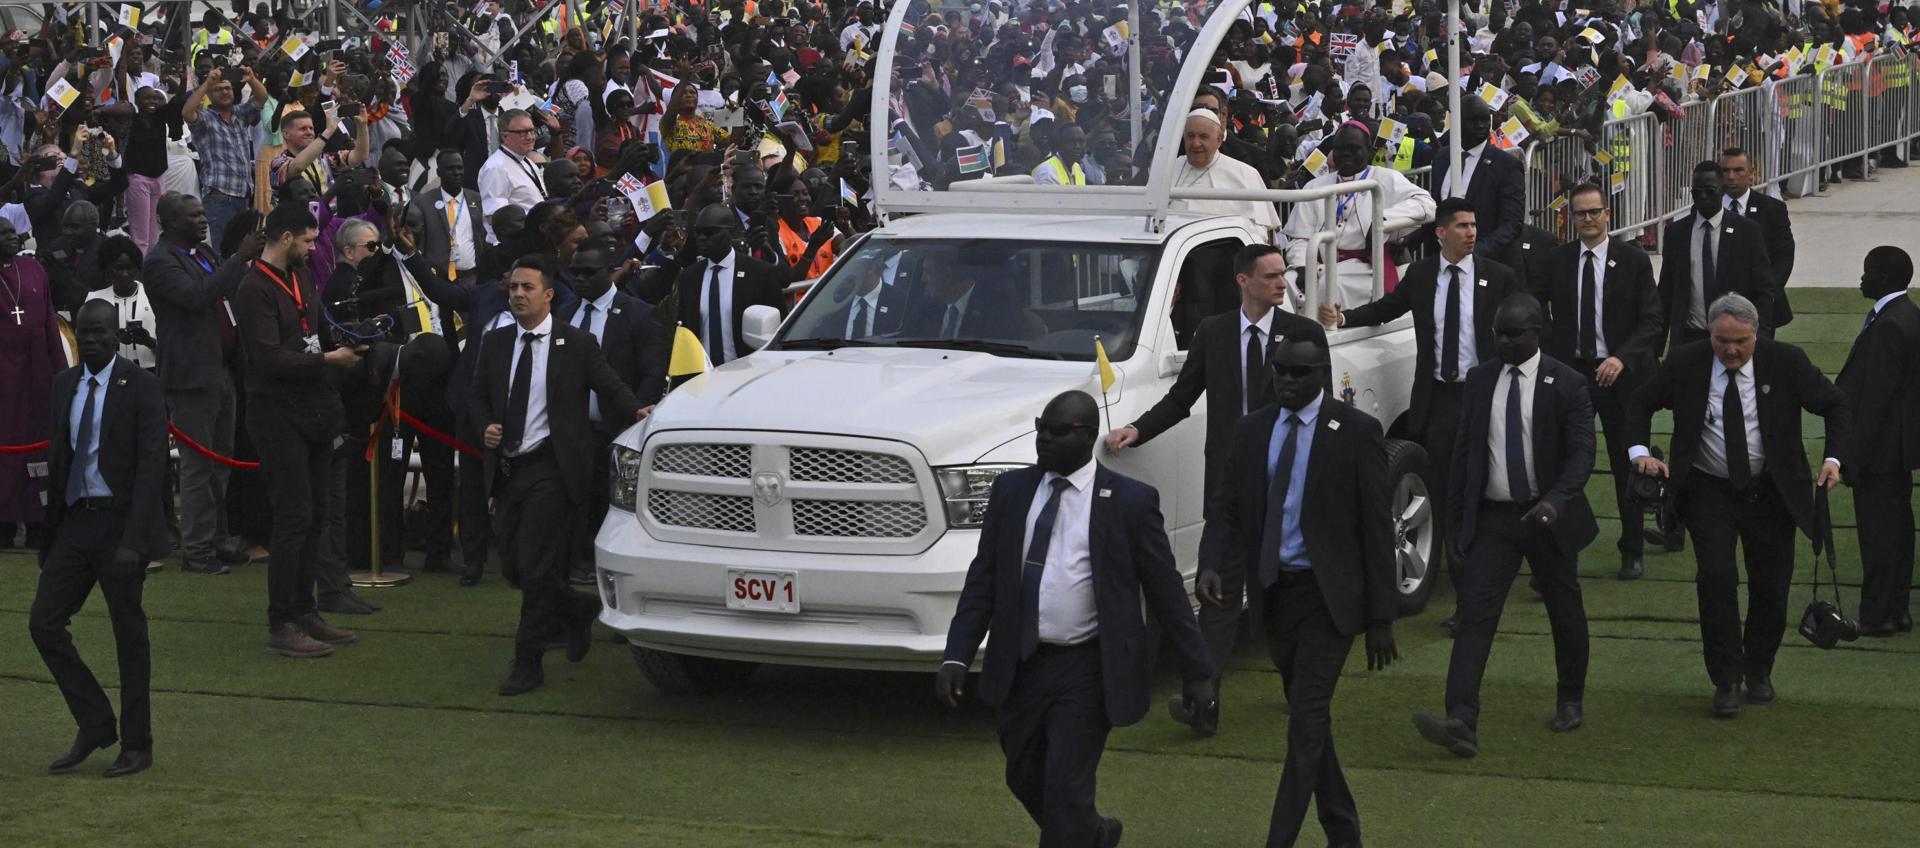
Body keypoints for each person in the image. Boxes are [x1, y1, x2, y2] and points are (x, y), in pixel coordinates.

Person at [936, 390, 1214, 848]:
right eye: (1040, 427)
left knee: (1066, 789)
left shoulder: (1129, 501)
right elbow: (983, 580)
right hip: (1022, 663)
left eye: (1055, 431)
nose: (1042, 439)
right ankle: (1094, 836)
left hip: (1089, 669)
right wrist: (955, 656)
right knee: (1023, 774)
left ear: (1086, 436)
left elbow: (1166, 592)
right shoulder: (1011, 491)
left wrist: (1198, 670)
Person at [1106, 243, 1318, 736]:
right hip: (1227, 484)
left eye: (1282, 275)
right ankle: (1202, 701)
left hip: (1285, 483)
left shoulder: (1302, 335)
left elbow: (1316, 407)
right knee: (1217, 591)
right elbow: (1183, 396)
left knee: (1280, 596)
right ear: (1243, 281)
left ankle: (1299, 688)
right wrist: (1137, 429)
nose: (1281, 284)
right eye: (1270, 277)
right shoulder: (1214, 332)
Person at [1198, 325, 1397, 848]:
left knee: (1305, 723)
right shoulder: (1252, 430)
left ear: (1321, 375)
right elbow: (1226, 506)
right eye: (1280, 370)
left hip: (1330, 602)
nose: (1285, 380)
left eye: (1298, 372)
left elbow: (1377, 529)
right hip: (1275, 595)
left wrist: (1381, 618)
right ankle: (1345, 833)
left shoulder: (1355, 432)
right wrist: (1211, 563)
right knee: (1313, 728)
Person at [1628, 294, 1849, 717]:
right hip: (1708, 491)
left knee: (1771, 584)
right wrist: (1641, 451)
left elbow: (1836, 404)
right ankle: (1726, 679)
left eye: (1741, 341)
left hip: (1771, 492)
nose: (1731, 350)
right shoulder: (1686, 363)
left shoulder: (1786, 362)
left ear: (1757, 334)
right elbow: (1640, 402)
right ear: (1709, 334)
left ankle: (1759, 668)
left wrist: (1834, 459)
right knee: (1715, 578)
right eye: (1721, 341)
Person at [1321, 198, 1523, 621]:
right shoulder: (1422, 275)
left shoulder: (1499, 277)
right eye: (1463, 226)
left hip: (1486, 394)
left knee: (1493, 484)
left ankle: (1508, 563)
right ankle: (1466, 589)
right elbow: (1386, 309)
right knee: (1449, 488)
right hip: (1439, 397)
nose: (1471, 233)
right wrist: (1344, 319)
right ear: (1441, 233)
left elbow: (1524, 327)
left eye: (1474, 225)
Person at [1414, 293, 1596, 757]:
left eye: (1513, 333)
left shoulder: (1568, 384)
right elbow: (1464, 454)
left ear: (1537, 333)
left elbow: (1582, 455)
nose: (1503, 341)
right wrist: (1455, 522)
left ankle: (1570, 695)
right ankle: (1461, 719)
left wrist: (1555, 503)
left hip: (1547, 517)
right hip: (1495, 518)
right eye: (1498, 332)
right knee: (1475, 614)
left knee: (1564, 609)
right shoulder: (1479, 381)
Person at [473, 255, 644, 695]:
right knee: (513, 566)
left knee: (534, 564)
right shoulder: (496, 343)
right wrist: (485, 426)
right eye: (513, 287)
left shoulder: (577, 343)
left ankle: (527, 660)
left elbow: (609, 385)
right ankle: (575, 608)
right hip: (509, 468)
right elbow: (475, 398)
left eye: (527, 287)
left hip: (553, 467)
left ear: (549, 296)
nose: (517, 294)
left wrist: (641, 411)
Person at [29, 301, 169, 779]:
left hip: (120, 528)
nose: (90, 341)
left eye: (99, 333)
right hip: (74, 524)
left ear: (115, 337)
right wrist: (51, 532)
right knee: (44, 624)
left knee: (129, 637)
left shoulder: (142, 387)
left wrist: (136, 540)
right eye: (83, 333)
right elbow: (59, 454)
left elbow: (153, 467)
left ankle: (137, 744)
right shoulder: (64, 384)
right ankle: (94, 723)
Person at [234, 204, 368, 659]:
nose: (315, 248)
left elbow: (312, 333)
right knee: (292, 517)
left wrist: (346, 340)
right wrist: (329, 361)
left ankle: (305, 610)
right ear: (285, 237)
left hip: (312, 407)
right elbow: (269, 358)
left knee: (313, 514)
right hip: (276, 413)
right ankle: (282, 621)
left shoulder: (302, 276)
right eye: (309, 240)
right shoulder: (253, 288)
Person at [1538, 184, 1663, 580]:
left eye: (1594, 212)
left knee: (1628, 461)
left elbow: (1652, 321)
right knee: (1560, 462)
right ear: (1570, 218)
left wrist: (1621, 358)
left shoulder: (1633, 260)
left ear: (1608, 214)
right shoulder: (1556, 261)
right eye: (1580, 213)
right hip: (1571, 375)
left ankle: (1633, 548)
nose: (1588, 219)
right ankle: (1558, 553)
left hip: (1620, 378)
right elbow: (1537, 310)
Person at [144, 193, 252, 575]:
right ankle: (197, 550)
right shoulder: (159, 262)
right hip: (190, 376)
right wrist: (239, 259)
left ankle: (217, 540)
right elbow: (196, 297)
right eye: (194, 216)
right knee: (198, 466)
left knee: (220, 463)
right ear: (169, 222)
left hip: (221, 369)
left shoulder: (202, 251)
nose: (203, 220)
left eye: (203, 213)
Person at [555, 237, 666, 585]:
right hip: (570, 428)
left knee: (610, 504)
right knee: (572, 500)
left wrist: (635, 421)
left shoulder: (638, 313)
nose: (580, 279)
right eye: (575, 273)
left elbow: (651, 371)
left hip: (616, 428)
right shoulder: (563, 313)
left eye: (589, 272)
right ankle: (574, 562)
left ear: (609, 271)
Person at [1837, 247, 1920, 636]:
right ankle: (1897, 610)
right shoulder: (1905, 314)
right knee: (1899, 532)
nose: (1861, 278)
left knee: (1879, 537)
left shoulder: (1888, 325)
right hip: (1897, 450)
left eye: (1867, 271)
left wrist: (1853, 455)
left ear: (1883, 278)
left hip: (1882, 452)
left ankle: (1877, 615)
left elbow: (1875, 399)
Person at [1282, 121, 1435, 308]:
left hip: (1366, 266)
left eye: (1353, 148)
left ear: (1369, 152)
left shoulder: (1386, 178)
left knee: (1330, 285)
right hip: (1318, 263)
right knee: (1287, 282)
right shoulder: (1316, 186)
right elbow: (1299, 237)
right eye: (1340, 149)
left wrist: (1383, 221)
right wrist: (1302, 264)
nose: (1346, 153)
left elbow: (1426, 204)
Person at [1659, 161, 1775, 348]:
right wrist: (1657, 346)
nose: (1703, 197)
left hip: (1733, 339)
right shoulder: (1676, 233)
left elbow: (1763, 289)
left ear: (1722, 190)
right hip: (1689, 338)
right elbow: (1666, 290)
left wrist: (1759, 336)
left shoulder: (1747, 231)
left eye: (1710, 191)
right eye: (1697, 192)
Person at [0, 218, 63, 551]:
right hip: (4, 382)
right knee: (6, 452)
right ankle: (4, 524)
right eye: (5, 234)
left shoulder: (34, 269)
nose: (14, 237)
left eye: (13, 232)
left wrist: (62, 374)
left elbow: (50, 321)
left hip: (37, 377)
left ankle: (39, 523)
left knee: (39, 448)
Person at [673, 204, 787, 367]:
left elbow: (778, 329)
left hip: (748, 373)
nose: (702, 238)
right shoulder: (689, 277)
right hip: (702, 378)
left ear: (731, 233)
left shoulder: (760, 273)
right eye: (698, 232)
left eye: (710, 232)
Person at [183, 66, 268, 253]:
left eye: (228, 88)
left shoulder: (240, 114)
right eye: (218, 89)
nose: (224, 92)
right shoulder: (205, 118)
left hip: (243, 197)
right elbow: (187, 113)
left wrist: (252, 79)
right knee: (224, 252)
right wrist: (206, 84)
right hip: (219, 198)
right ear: (209, 95)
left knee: (244, 253)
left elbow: (262, 98)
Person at [1431, 98, 1526, 264]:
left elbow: (1512, 224)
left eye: (1484, 120)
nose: (1481, 126)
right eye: (1473, 120)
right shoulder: (1442, 158)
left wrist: (1472, 254)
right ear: (1457, 121)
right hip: (1445, 261)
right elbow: (1436, 209)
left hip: (1489, 264)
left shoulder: (1507, 165)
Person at [1169, 109, 1281, 233]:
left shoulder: (1245, 174)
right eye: (1190, 136)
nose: (1195, 143)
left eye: (1203, 137)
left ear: (1219, 139)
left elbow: (1261, 231)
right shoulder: (1170, 168)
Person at [1720, 147, 1795, 327]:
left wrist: (1769, 294)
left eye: (1738, 170)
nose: (1731, 176)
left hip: (1761, 305)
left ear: (1751, 173)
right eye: (1725, 170)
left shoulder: (1772, 209)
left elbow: (1784, 255)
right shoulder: (1707, 209)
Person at [409, 149, 486, 286]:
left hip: (472, 278)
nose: (456, 173)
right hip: (439, 281)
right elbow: (419, 243)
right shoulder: (423, 203)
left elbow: (482, 238)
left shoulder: (476, 199)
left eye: (459, 168)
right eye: (450, 168)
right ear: (439, 172)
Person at [478, 109, 548, 234]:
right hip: (515, 245)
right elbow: (495, 217)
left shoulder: (526, 160)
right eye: (523, 132)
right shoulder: (496, 168)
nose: (530, 137)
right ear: (505, 136)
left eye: (532, 131)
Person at [97, 237, 159, 371]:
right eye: (118, 268)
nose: (125, 274)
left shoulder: (155, 297)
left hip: (151, 372)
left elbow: (171, 351)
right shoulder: (95, 301)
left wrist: (149, 342)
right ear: (107, 268)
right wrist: (115, 342)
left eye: (130, 268)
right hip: (109, 373)